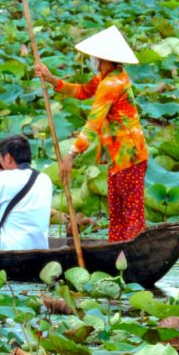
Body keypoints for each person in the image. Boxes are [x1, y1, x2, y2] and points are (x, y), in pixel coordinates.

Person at [34, 25, 148, 242]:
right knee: (116, 209)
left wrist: (71, 155)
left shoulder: (112, 83)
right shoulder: (107, 76)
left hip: (130, 155)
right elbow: (82, 91)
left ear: (101, 57)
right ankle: (118, 248)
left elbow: (93, 123)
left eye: (95, 56)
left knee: (129, 213)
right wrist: (51, 79)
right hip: (119, 155)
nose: (93, 60)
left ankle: (131, 250)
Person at [0, 134, 53, 250]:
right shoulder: (44, 179)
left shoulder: (5, 178)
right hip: (40, 249)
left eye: (1, 156)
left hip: (11, 250)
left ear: (9, 158)